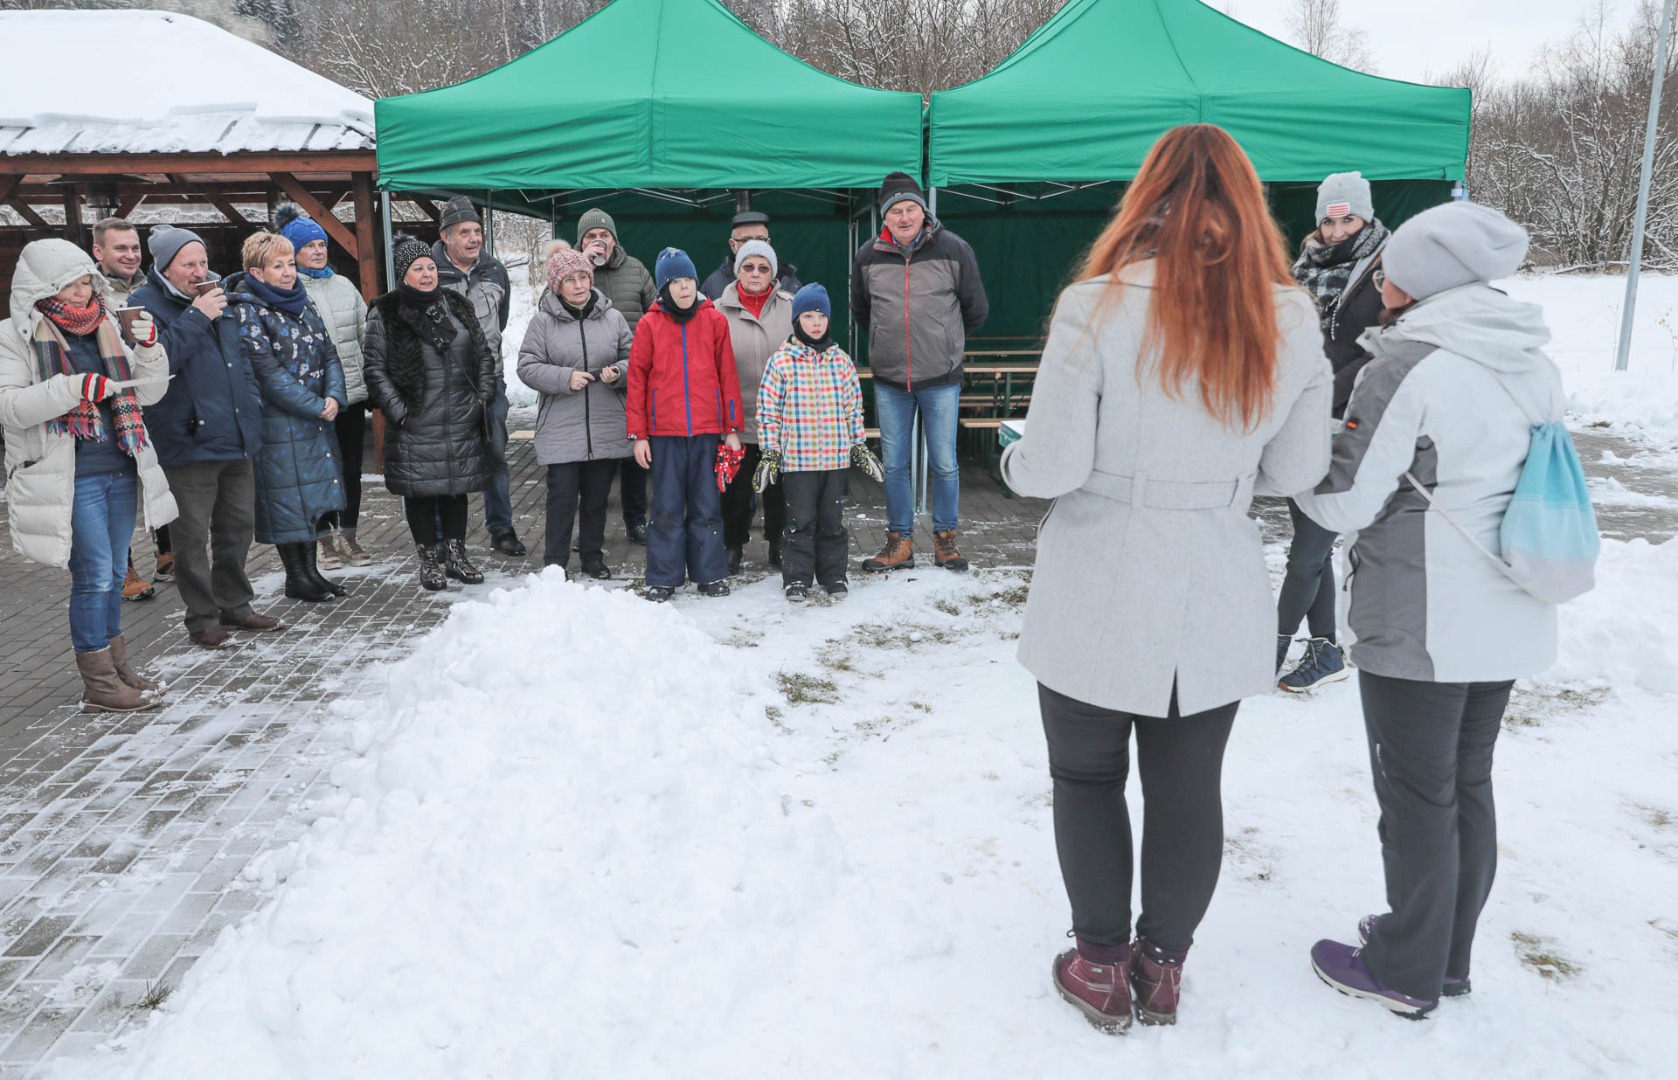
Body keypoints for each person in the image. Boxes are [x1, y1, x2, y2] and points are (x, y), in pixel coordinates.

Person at [999, 124, 1332, 1032]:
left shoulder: (1097, 305)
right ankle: (1164, 966)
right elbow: (1297, 470)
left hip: (1099, 567)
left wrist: (1014, 464)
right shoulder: (1291, 316)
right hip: (1215, 568)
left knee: (1086, 775)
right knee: (1190, 790)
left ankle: (1101, 962)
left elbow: (1053, 464)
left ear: (1146, 196)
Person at [1295, 202, 1558, 1019]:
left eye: (1389, 266)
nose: (1379, 276)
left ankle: (1405, 968)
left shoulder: (1409, 364)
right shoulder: (1529, 358)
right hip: (1511, 600)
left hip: (1423, 618)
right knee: (1466, 787)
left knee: (1415, 797)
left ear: (1421, 277)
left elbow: (1341, 500)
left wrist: (1289, 458)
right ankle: (1444, 955)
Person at [0, 239, 177, 711]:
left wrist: (150, 347)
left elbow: (151, 394)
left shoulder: (107, 324)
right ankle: (99, 685)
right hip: (69, 475)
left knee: (117, 571)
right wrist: (71, 388)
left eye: (86, 283)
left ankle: (118, 670)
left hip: (121, 463)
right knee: (95, 576)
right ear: (44, 287)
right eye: (72, 285)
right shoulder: (14, 335)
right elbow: (11, 408)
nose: (83, 293)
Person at [130, 223, 281, 649]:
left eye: (203, 262)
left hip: (235, 435)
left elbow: (240, 363)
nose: (199, 271)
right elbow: (157, 364)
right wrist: (198, 316)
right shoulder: (143, 307)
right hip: (186, 440)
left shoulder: (219, 300)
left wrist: (250, 409)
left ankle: (235, 604)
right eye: (188, 264)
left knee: (238, 528)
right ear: (164, 267)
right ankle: (202, 618)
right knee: (191, 538)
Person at [1276, 171, 1390, 692]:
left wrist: (1321, 389)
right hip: (1302, 419)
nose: (1338, 229)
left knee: (1307, 550)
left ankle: (1268, 650)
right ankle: (1326, 652)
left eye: (1348, 219)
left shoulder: (1387, 269)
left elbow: (1383, 348)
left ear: (1365, 217)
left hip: (1351, 420)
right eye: (1329, 218)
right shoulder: (1304, 267)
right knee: (1309, 542)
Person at [852, 171, 989, 574]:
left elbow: (975, 309)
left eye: (911, 208)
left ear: (923, 212)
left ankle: (946, 541)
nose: (905, 216)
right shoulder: (868, 255)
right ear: (885, 217)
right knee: (894, 464)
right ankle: (900, 542)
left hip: (941, 378)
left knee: (945, 463)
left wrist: (945, 339)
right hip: (892, 379)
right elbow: (863, 311)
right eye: (896, 210)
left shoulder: (954, 249)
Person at [364, 236, 497, 591]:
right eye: (417, 269)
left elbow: (484, 355)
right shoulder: (386, 311)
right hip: (415, 419)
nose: (427, 274)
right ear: (403, 275)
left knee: (456, 489)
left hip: (460, 414)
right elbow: (375, 369)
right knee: (421, 493)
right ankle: (429, 559)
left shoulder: (456, 304)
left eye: (430, 267)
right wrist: (400, 413)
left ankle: (456, 555)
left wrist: (482, 397)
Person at [226, 230, 348, 604]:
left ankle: (311, 572)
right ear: (257, 273)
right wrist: (315, 405)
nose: (287, 272)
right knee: (286, 502)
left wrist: (334, 395)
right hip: (277, 422)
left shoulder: (304, 301)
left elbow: (329, 352)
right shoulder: (246, 309)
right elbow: (267, 372)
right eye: (277, 266)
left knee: (309, 499)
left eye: (290, 264)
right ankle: (296, 576)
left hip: (314, 417)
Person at [624, 248, 742, 602]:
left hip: (706, 431)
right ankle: (663, 577)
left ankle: (710, 574)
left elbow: (728, 376)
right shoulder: (649, 324)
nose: (685, 287)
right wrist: (638, 435)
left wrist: (732, 428)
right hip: (664, 434)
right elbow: (637, 382)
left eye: (689, 279)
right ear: (664, 287)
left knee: (707, 506)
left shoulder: (714, 320)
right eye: (676, 281)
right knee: (666, 507)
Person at [753, 284, 879, 602]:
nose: (816, 322)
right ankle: (796, 578)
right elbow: (768, 412)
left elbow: (853, 408)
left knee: (832, 522)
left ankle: (833, 575)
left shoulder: (842, 362)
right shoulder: (781, 362)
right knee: (799, 521)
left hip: (835, 461)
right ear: (797, 320)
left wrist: (858, 445)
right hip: (798, 462)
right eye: (808, 315)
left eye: (821, 315)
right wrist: (771, 452)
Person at [517, 245, 634, 578]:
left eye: (583, 277)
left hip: (606, 422)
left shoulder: (612, 318)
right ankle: (555, 562)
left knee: (597, 499)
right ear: (557, 285)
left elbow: (634, 359)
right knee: (562, 498)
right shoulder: (542, 323)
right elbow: (526, 367)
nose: (580, 285)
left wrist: (618, 373)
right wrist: (564, 377)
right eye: (570, 279)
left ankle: (593, 557)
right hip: (561, 426)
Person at [276, 204, 373, 571]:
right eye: (309, 246)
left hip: (349, 393)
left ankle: (348, 533)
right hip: (312, 400)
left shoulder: (344, 285)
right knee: (316, 471)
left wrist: (372, 379)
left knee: (350, 469)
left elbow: (366, 335)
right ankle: (322, 541)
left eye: (322, 244)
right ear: (293, 252)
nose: (318, 251)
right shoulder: (288, 289)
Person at [433, 195, 525, 558]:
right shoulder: (429, 272)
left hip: (490, 382)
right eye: (464, 232)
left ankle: (501, 528)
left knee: (495, 455)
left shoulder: (495, 270)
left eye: (477, 232)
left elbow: (498, 322)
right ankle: (443, 536)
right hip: (445, 385)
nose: (473, 239)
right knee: (448, 459)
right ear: (445, 236)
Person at [93, 216, 173, 600]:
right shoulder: (89, 294)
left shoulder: (154, 286)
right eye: (119, 248)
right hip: (113, 402)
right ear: (99, 252)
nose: (130, 255)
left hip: (155, 391)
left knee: (162, 474)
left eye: (134, 247)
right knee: (119, 485)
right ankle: (122, 568)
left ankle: (167, 550)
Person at [577, 208, 657, 544]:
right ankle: (589, 530)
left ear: (614, 239)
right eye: (591, 237)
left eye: (604, 235)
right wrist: (582, 266)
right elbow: (548, 308)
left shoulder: (636, 269)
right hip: (589, 381)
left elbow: (657, 312)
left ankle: (636, 520)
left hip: (632, 375)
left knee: (633, 455)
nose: (599, 241)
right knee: (591, 460)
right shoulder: (572, 270)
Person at [715, 238, 794, 573]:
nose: (755, 273)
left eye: (763, 267)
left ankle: (779, 544)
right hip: (736, 420)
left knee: (778, 490)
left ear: (773, 272)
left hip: (782, 420)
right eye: (748, 267)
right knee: (734, 490)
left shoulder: (792, 306)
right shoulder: (716, 310)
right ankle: (733, 545)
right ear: (738, 271)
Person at [700, 210, 802, 300]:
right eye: (746, 240)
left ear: (768, 243)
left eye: (761, 239)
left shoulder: (787, 280)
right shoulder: (714, 283)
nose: (754, 245)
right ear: (732, 245)